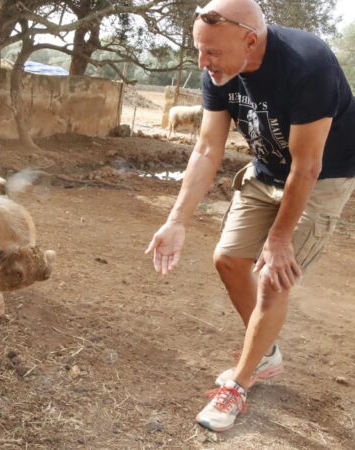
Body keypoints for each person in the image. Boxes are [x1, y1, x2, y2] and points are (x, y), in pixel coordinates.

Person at [146, 0, 355, 432]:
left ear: (250, 40)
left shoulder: (307, 63)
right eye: (199, 50)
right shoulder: (218, 71)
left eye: (213, 52)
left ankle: (239, 384)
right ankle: (267, 353)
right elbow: (208, 148)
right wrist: (178, 220)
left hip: (322, 176)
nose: (203, 62)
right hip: (266, 170)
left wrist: (279, 241)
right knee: (228, 259)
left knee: (273, 277)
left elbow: (307, 167)